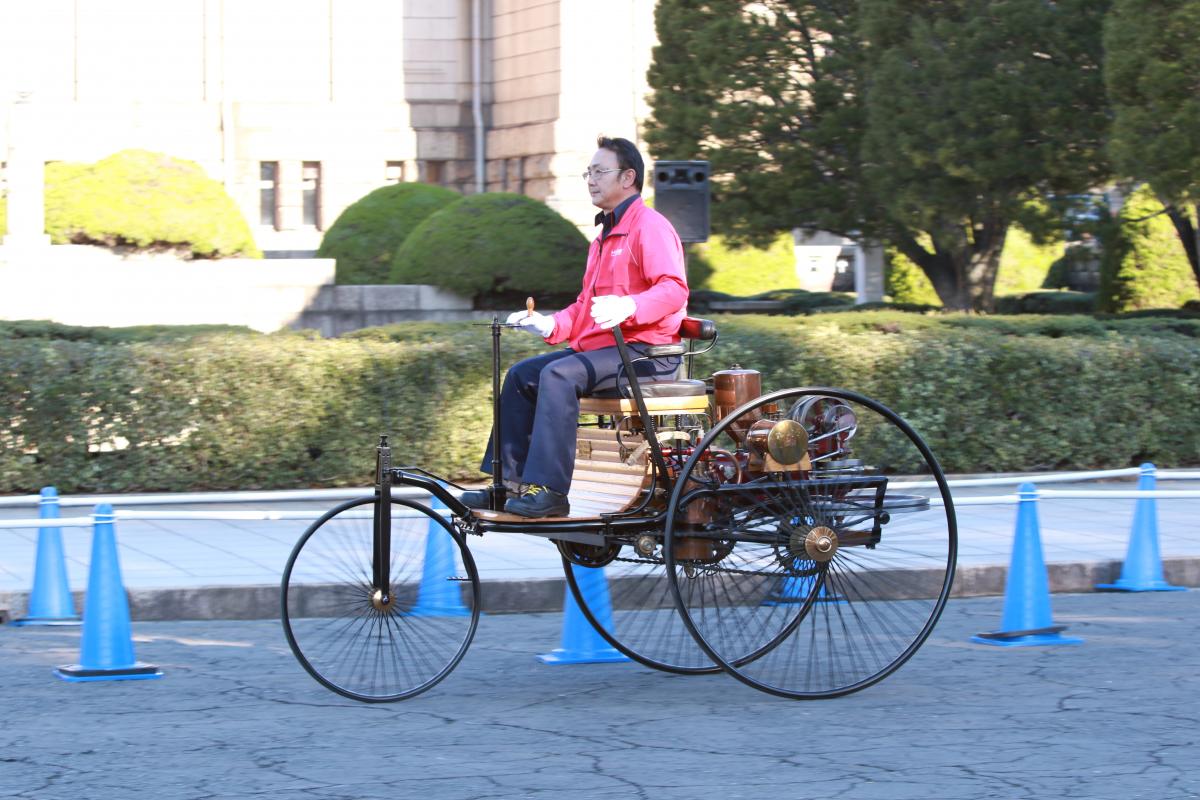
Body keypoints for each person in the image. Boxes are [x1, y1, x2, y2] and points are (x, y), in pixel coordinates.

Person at [461, 135, 689, 517]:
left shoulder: (649, 227)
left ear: (628, 177)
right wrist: (549, 325)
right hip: (607, 352)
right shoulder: (603, 237)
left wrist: (630, 305)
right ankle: (508, 484)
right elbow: (585, 305)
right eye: (589, 172)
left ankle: (552, 492)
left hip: (647, 355)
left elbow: (673, 289)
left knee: (558, 376)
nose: (591, 179)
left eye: (600, 171)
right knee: (522, 375)